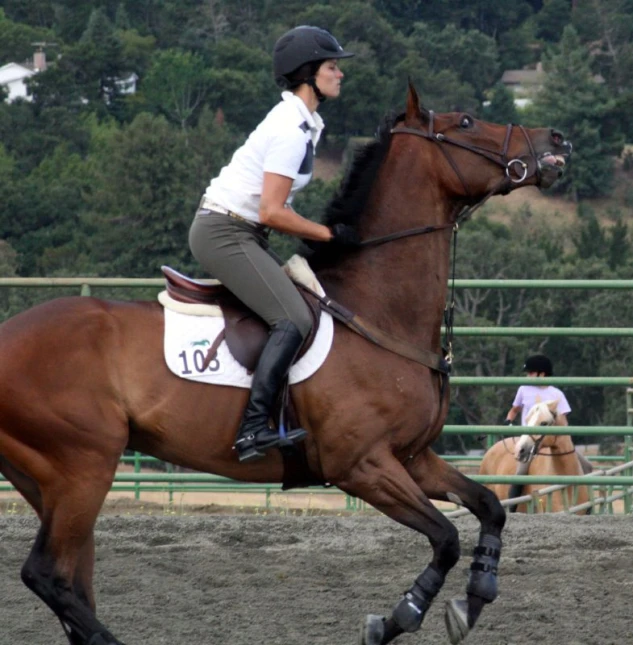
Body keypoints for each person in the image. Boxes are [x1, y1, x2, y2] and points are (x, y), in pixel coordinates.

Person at [188, 26, 358, 463]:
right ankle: (252, 429)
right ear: (308, 74)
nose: (340, 74)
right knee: (293, 317)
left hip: (241, 232)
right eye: (332, 66)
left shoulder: (303, 123)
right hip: (225, 232)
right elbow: (272, 212)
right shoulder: (289, 129)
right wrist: (329, 235)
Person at [504, 354, 571, 426]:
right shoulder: (523, 389)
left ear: (542, 374)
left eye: (531, 373)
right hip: (526, 434)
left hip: (549, 435)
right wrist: (508, 421)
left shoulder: (557, 394)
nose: (527, 377)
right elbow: (514, 410)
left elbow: (563, 422)